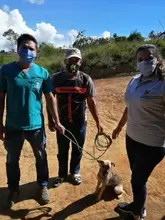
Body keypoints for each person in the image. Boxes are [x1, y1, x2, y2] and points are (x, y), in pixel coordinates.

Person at [0, 34, 65, 208]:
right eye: (24, 47)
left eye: (31, 48)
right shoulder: (5, 70)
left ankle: (42, 186)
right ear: (17, 49)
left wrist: (57, 121)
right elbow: (0, 98)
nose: (27, 51)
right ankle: (14, 189)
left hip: (36, 126)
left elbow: (50, 98)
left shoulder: (42, 73)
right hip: (13, 126)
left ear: (36, 52)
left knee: (41, 156)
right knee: (12, 159)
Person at [112, 44, 165, 220]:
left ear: (157, 59)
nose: (144, 62)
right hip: (132, 137)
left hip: (153, 143)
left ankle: (138, 212)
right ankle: (138, 205)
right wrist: (119, 127)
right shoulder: (134, 80)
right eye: (140, 59)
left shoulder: (162, 83)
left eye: (148, 58)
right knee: (136, 175)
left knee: (138, 180)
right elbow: (129, 106)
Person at [47, 48, 103, 187]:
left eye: (76, 60)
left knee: (78, 149)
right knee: (62, 150)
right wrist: (51, 120)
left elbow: (91, 101)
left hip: (80, 123)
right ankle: (61, 175)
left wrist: (98, 122)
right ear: (65, 61)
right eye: (70, 60)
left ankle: (74, 172)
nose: (73, 63)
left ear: (81, 62)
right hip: (62, 123)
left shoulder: (85, 79)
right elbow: (50, 100)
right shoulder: (56, 79)